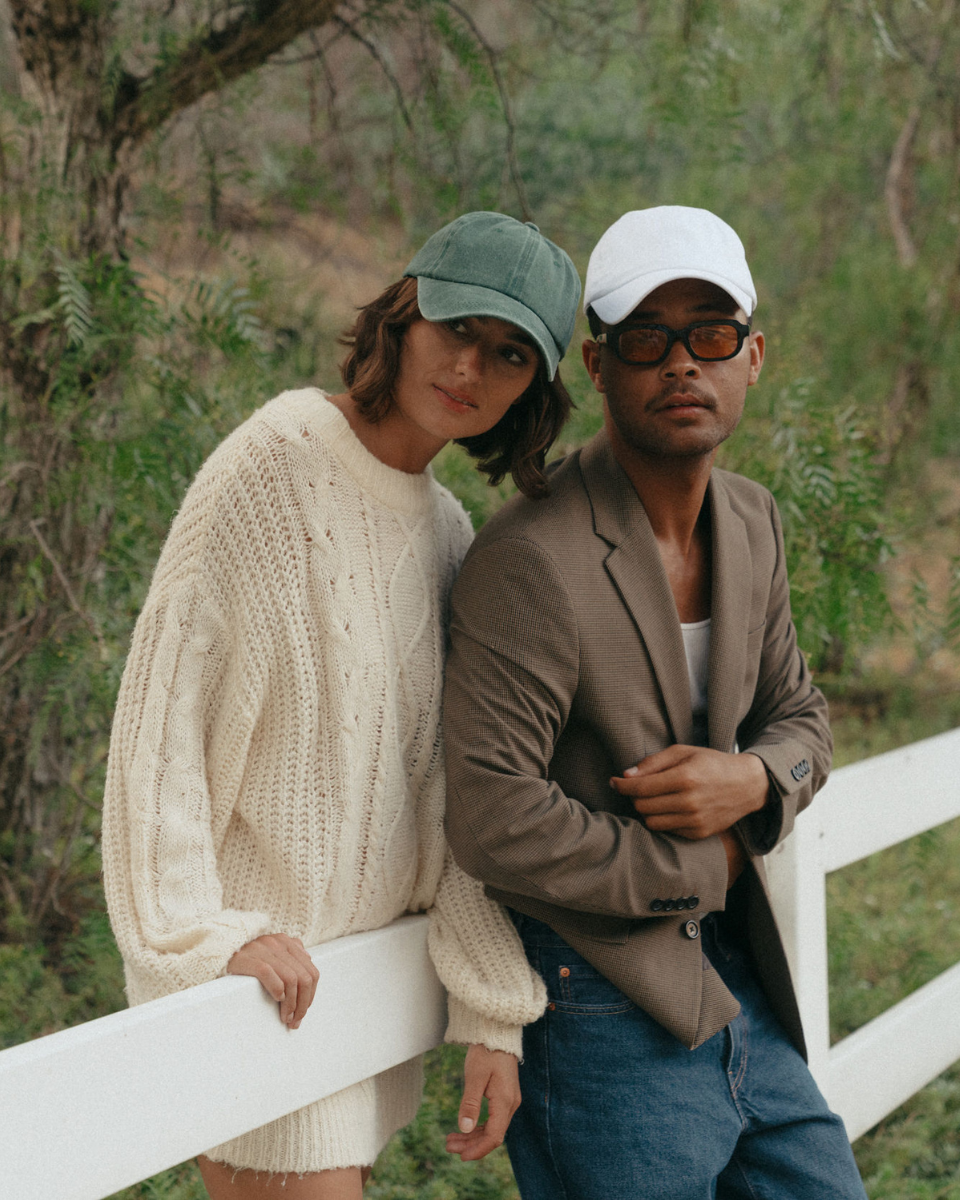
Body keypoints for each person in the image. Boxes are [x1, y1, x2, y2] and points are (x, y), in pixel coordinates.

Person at [101, 211, 581, 1200]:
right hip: (269, 990)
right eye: (458, 329)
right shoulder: (274, 459)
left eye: (509, 354)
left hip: (363, 999)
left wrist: (491, 1011)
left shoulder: (452, 535)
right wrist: (204, 936)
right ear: (403, 315)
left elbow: (458, 801)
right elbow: (162, 725)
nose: (471, 369)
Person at [442, 206, 868, 1198]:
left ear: (752, 356)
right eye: (646, 339)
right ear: (598, 366)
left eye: (710, 336)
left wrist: (753, 778)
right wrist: (701, 861)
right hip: (596, 993)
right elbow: (493, 816)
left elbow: (799, 715)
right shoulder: (530, 557)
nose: (683, 364)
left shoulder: (753, 521)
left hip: (737, 985)